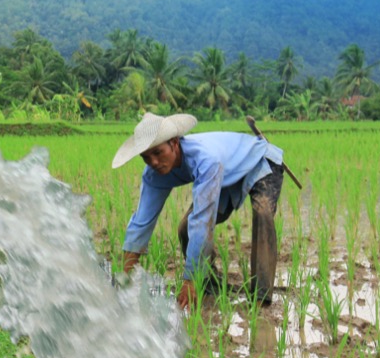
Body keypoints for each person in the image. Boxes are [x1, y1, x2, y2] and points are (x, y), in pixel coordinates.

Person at [112, 112, 285, 309]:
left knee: (263, 213)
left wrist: (189, 280)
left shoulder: (205, 159)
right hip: (225, 174)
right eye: (146, 157)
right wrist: (125, 278)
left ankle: (262, 298)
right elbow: (141, 221)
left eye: (158, 152)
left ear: (174, 143)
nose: (154, 162)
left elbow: (203, 222)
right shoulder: (154, 174)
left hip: (260, 161)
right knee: (185, 229)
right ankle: (209, 282)